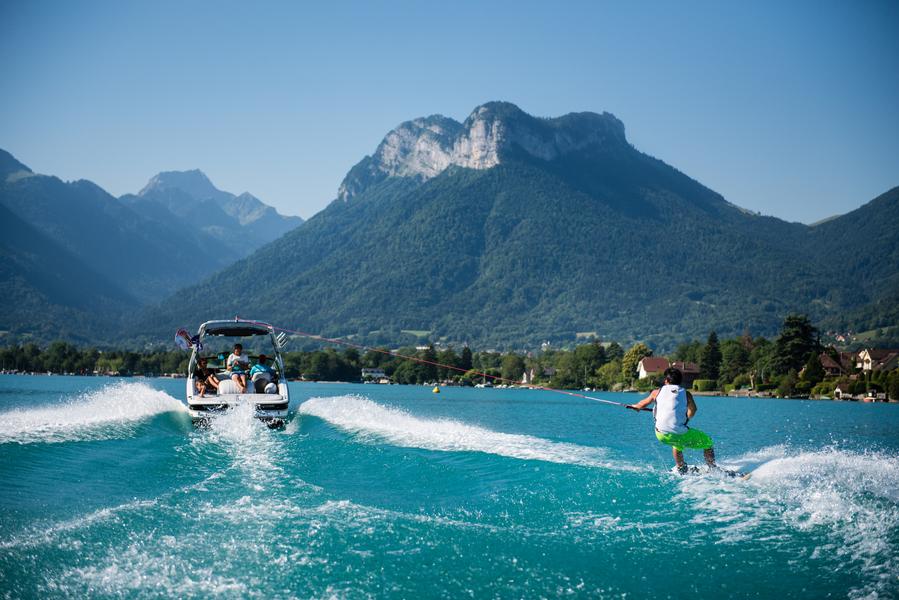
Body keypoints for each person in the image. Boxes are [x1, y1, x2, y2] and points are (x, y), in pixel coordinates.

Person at [628, 366, 717, 473]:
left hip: (660, 434)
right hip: (679, 432)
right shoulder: (686, 393)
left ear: (666, 380)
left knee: (676, 441)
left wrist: (635, 406)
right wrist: (686, 419)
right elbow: (693, 410)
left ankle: (681, 467)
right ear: (680, 381)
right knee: (708, 443)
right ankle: (712, 469)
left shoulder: (656, 392)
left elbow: (641, 404)